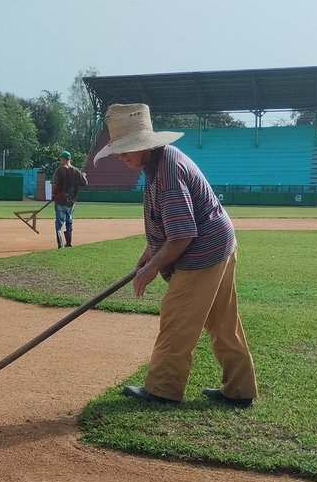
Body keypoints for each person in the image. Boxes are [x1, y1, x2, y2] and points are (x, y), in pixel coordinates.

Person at [91, 103, 258, 408]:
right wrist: (149, 252)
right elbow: (170, 224)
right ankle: (240, 389)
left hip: (203, 252)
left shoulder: (166, 170)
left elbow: (182, 235)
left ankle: (163, 389)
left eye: (127, 148)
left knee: (177, 314)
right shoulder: (157, 164)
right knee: (222, 321)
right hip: (220, 245)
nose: (122, 155)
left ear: (145, 145)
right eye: (119, 149)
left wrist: (151, 268)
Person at [51, 150, 88, 248]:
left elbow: (54, 184)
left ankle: (60, 244)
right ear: (69, 159)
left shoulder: (59, 170)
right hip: (71, 201)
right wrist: (83, 176)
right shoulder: (76, 171)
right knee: (69, 221)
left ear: (63, 159)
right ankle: (69, 243)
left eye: (61, 159)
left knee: (59, 223)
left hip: (60, 200)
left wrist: (53, 195)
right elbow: (84, 183)